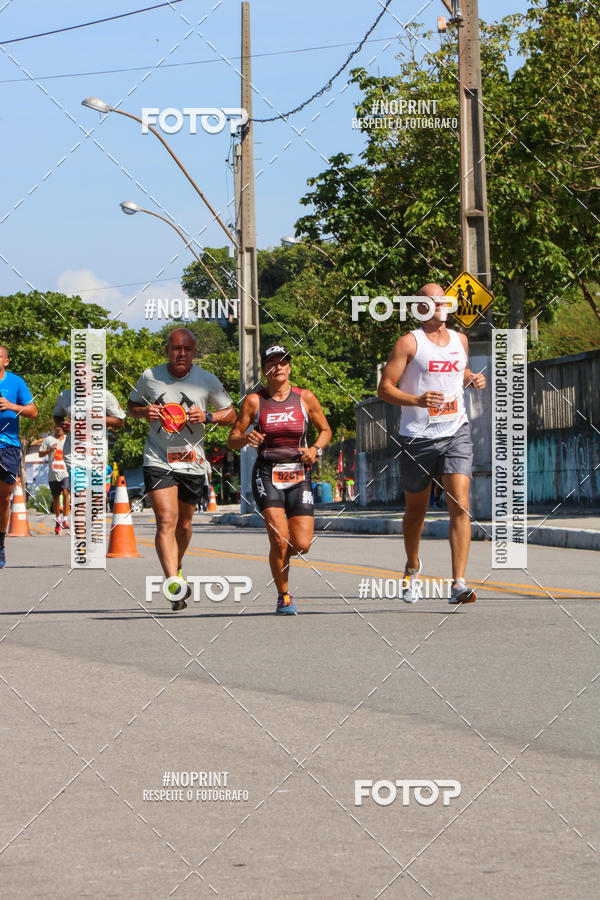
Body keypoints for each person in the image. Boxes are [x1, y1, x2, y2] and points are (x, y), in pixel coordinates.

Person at [377, 284, 486, 604]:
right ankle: (412, 566)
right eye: (432, 300)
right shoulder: (409, 343)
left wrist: (472, 378)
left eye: (442, 299)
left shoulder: (460, 339)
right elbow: (385, 388)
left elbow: (457, 371)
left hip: (456, 432)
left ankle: (459, 583)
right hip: (417, 437)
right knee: (416, 512)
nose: (439, 304)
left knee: (460, 503)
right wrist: (417, 400)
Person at [127, 327, 235, 611]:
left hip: (192, 461)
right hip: (157, 457)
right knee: (166, 520)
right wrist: (143, 412)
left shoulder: (207, 380)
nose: (181, 353)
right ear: (167, 350)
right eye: (176, 348)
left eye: (187, 349)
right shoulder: (150, 376)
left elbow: (232, 414)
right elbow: (131, 406)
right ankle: (173, 581)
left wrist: (209, 415)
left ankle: (177, 562)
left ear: (194, 352)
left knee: (184, 525)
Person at [227, 344, 332, 615]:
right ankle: (283, 595)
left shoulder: (305, 398)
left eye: (283, 362)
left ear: (290, 367)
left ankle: (280, 561)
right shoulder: (254, 401)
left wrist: (315, 449)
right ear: (264, 370)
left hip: (299, 475)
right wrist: (246, 437)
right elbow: (233, 440)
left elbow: (325, 430)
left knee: (302, 545)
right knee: (279, 540)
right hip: (267, 475)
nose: (279, 367)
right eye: (273, 363)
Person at [0, 344, 38, 567]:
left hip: (8, 447)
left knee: (4, 499)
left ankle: (1, 545)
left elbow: (33, 412)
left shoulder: (16, 382)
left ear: (6, 361)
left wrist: (11, 406)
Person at [39, 425, 70, 534]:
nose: (58, 428)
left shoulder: (68, 439)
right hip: (53, 474)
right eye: (56, 426)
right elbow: (40, 454)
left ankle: (65, 520)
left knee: (66, 493)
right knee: (56, 498)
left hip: (65, 472)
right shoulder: (49, 440)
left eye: (60, 426)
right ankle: (58, 520)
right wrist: (49, 450)